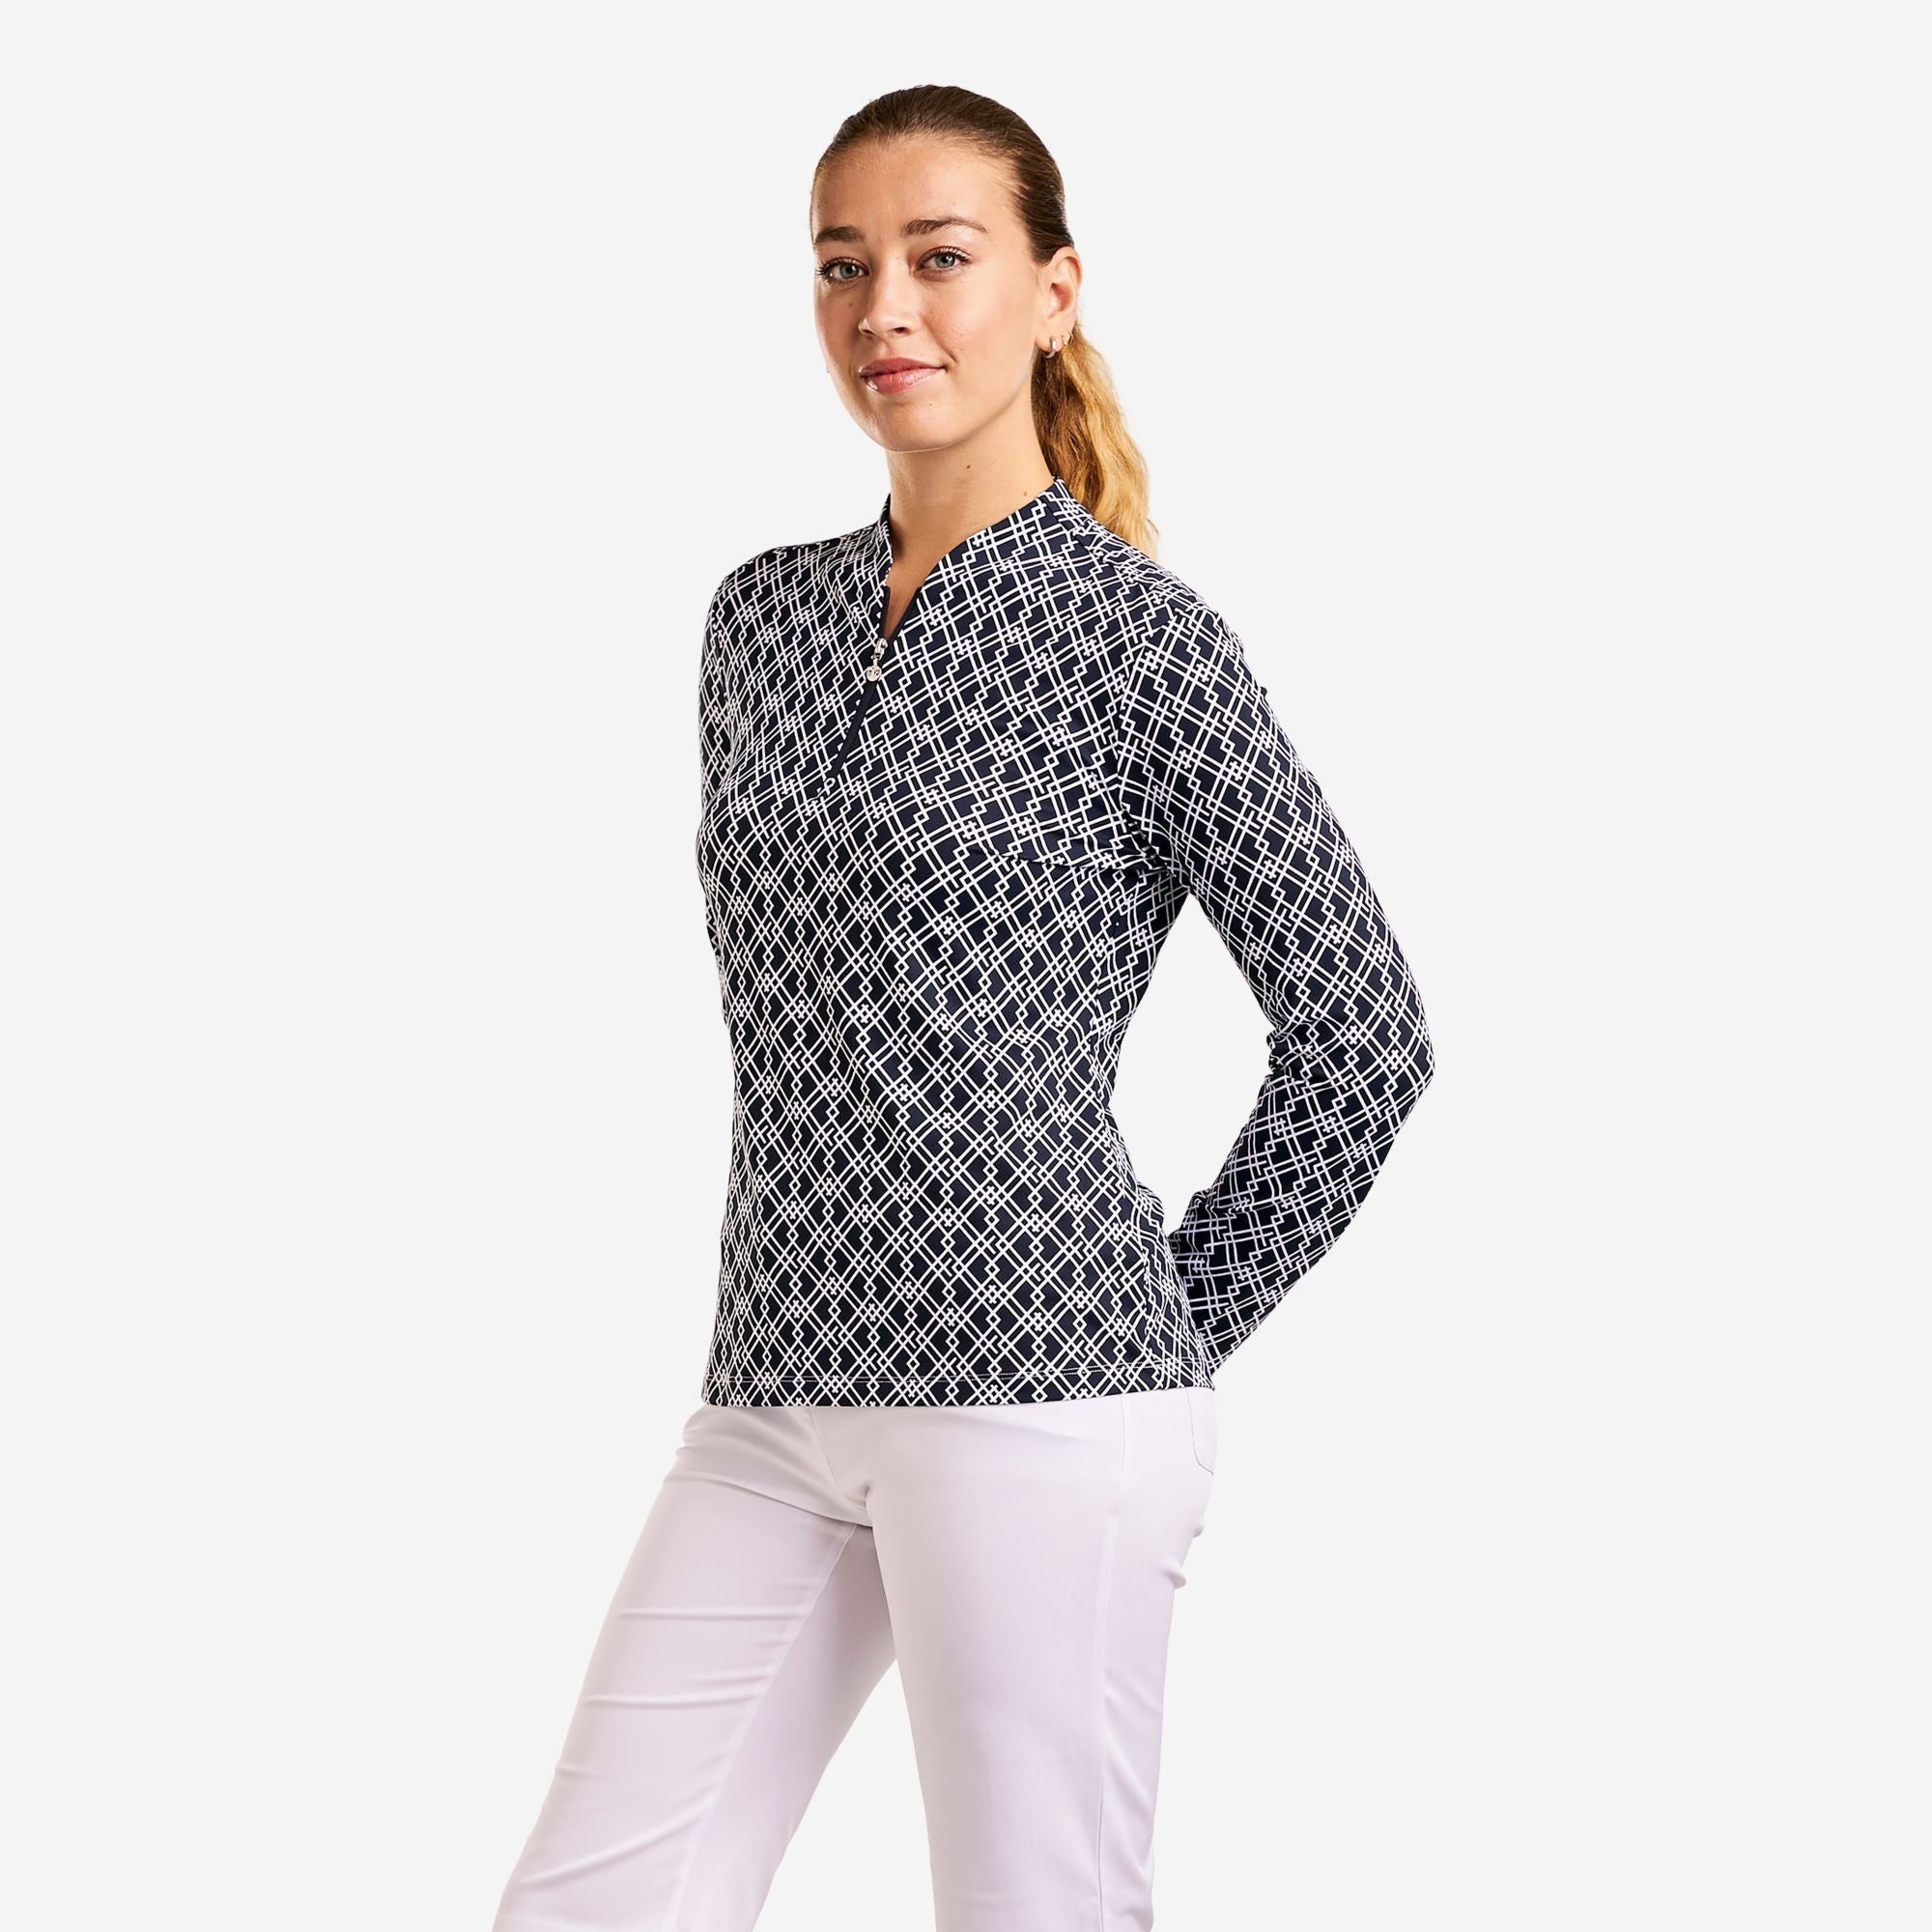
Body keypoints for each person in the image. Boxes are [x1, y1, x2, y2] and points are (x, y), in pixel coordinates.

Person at [491, 83, 1435, 1932]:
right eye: (843, 267)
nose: (887, 311)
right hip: (777, 1380)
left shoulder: (1140, 642)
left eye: (940, 258)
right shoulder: (758, 623)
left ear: (1054, 293)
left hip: (1040, 1398)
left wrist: (1154, 1323)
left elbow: (1366, 1028)